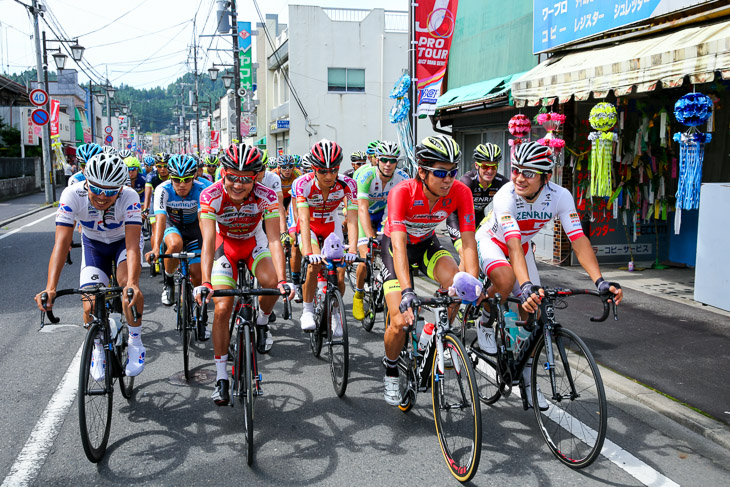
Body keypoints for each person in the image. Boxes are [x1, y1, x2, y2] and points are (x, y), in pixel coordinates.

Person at [475, 141, 623, 409]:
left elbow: (578, 240)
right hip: (494, 242)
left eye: (529, 173)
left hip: (521, 246)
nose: (519, 178)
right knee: (508, 281)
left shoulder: (561, 196)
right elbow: (511, 245)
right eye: (516, 169)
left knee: (537, 314)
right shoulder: (505, 196)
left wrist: (600, 281)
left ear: (546, 177)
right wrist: (528, 285)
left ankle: (529, 383)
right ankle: (485, 319)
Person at [380, 135, 479, 406]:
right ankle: (390, 369)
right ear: (421, 172)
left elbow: (468, 241)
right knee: (399, 320)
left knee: (458, 285)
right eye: (440, 173)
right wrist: (408, 291)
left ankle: (429, 336)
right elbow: (398, 245)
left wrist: (474, 283)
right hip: (395, 249)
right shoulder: (402, 192)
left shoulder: (461, 192)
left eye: (453, 172)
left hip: (426, 244)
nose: (448, 180)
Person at [194, 143, 294, 406]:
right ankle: (220, 378)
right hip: (223, 246)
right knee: (222, 307)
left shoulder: (267, 195)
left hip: (253, 242)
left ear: (256, 177)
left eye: (246, 180)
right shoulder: (210, 194)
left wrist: (283, 280)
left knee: (270, 282)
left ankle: (261, 322)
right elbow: (206, 241)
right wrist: (205, 282)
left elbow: (274, 240)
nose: (238, 185)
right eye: (232, 178)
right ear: (223, 173)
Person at [34, 152, 146, 378]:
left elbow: (133, 245)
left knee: (126, 286)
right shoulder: (72, 194)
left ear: (121, 189)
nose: (103, 197)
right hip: (93, 244)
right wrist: (50, 287)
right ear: (86, 182)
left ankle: (136, 341)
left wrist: (133, 283)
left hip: (122, 242)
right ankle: (97, 349)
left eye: (111, 192)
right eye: (96, 189)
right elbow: (61, 243)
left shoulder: (130, 196)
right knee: (89, 304)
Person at [294, 139, 359, 332]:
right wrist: (307, 252)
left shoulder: (348, 184)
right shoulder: (302, 184)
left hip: (332, 225)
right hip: (311, 226)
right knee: (314, 266)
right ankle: (306, 310)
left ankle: (336, 315)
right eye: (323, 171)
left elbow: (353, 219)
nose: (329, 175)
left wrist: (353, 249)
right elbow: (304, 220)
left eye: (334, 170)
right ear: (314, 168)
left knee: (339, 275)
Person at [352, 141, 409, 321]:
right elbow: (361, 209)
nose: (388, 164)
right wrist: (370, 237)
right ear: (376, 159)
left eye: (392, 161)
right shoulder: (365, 175)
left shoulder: (402, 177)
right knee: (366, 256)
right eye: (384, 159)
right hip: (365, 214)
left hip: (384, 214)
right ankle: (359, 294)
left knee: (391, 248)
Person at [145, 154, 208, 309]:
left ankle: (200, 318)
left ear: (194, 177)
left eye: (186, 179)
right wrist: (155, 247)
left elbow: (203, 221)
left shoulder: (202, 188)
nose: (181, 184)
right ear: (170, 178)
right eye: (177, 180)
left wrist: (208, 246)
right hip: (172, 224)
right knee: (175, 244)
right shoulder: (162, 189)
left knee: (197, 275)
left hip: (194, 228)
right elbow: (160, 219)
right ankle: (169, 281)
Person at [446, 142, 508, 270]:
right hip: (457, 219)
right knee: (466, 253)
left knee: (481, 253)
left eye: (494, 167)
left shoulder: (501, 182)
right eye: (485, 166)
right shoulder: (467, 181)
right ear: (477, 166)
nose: (490, 171)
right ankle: (452, 287)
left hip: (478, 218)